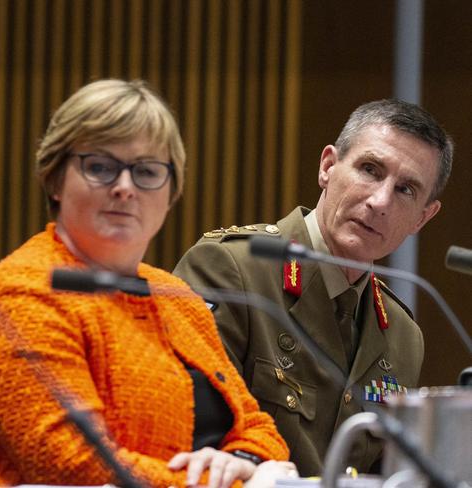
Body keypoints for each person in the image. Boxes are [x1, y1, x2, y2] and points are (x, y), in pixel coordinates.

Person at [0, 79, 297, 487]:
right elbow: (73, 466)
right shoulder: (23, 293)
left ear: (171, 191)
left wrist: (244, 458)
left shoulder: (176, 298)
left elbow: (259, 427)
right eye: (100, 167)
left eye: (146, 171)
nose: (125, 188)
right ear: (54, 179)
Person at [174, 99, 453, 476]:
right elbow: (186, 439)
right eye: (370, 170)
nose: (379, 201)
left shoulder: (403, 337)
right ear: (328, 166)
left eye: (405, 190)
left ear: (422, 217)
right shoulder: (232, 270)